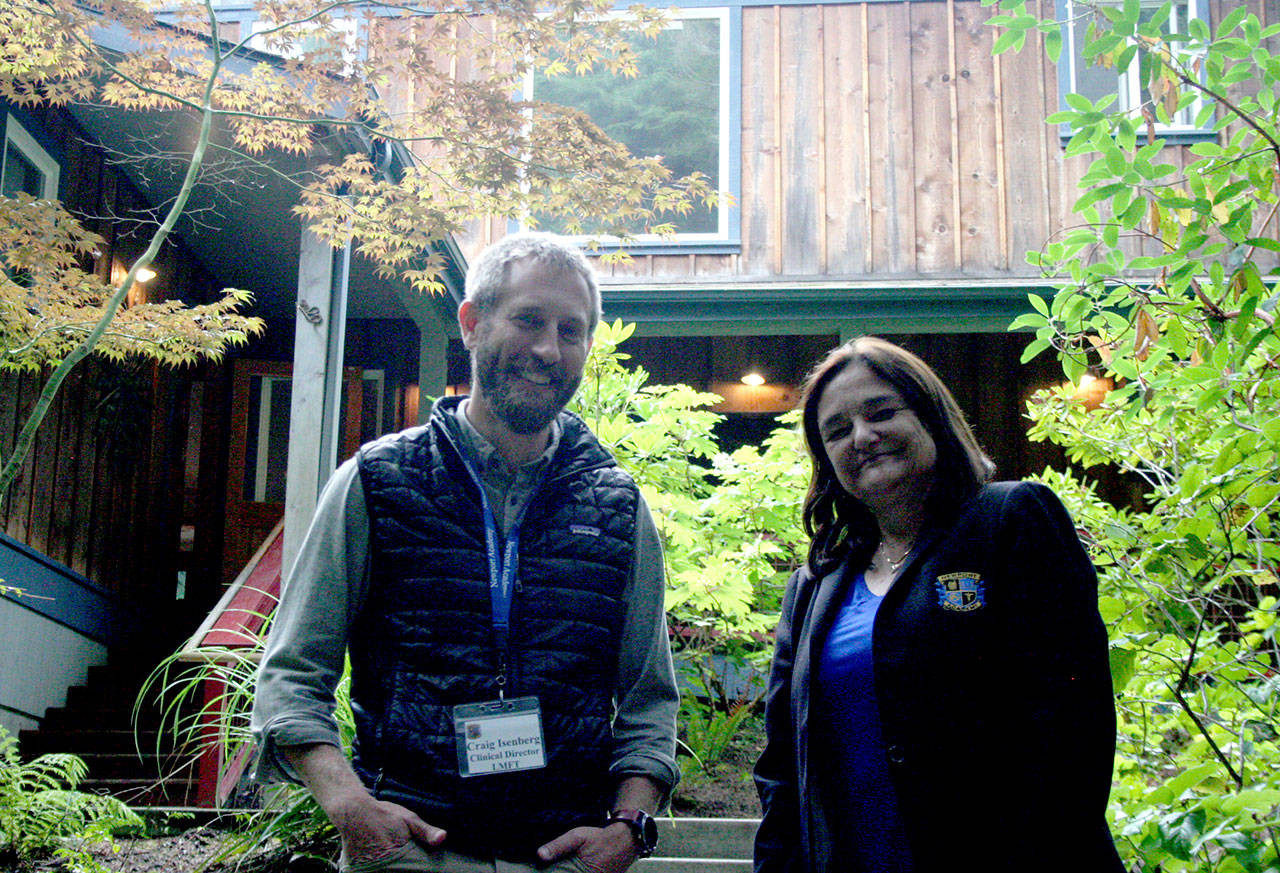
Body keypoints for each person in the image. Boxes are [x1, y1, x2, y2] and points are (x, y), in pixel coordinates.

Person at [252, 232, 679, 873]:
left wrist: (628, 828)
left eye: (570, 330)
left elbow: (650, 699)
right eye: (529, 320)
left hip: (566, 857)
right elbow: (292, 675)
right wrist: (350, 808)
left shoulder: (617, 506)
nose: (548, 349)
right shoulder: (377, 482)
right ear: (473, 324)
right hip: (410, 853)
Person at [753, 337, 1124, 873]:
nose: (862, 436)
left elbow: (1074, 725)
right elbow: (782, 766)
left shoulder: (1011, 520)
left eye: (881, 413)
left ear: (930, 416)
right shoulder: (813, 585)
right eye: (837, 431)